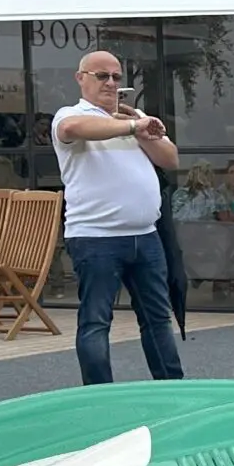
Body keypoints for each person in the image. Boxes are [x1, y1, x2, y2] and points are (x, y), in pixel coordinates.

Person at [52, 49, 184, 386]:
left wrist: (141, 130)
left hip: (146, 236)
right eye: (102, 76)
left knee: (157, 319)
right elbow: (73, 128)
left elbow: (170, 159)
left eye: (116, 77)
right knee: (96, 321)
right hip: (96, 239)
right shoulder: (71, 114)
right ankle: (99, 398)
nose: (111, 83)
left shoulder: (134, 118)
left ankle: (172, 389)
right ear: (81, 78)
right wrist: (130, 125)